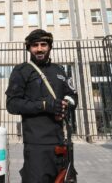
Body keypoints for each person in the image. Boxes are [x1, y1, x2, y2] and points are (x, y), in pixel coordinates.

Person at [6, 29, 78, 183]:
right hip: (36, 144)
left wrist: (65, 106)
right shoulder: (21, 71)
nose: (39, 49)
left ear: (50, 47)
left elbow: (73, 95)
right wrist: (45, 105)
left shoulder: (60, 70)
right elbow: (12, 104)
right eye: (34, 45)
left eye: (43, 44)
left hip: (61, 141)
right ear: (29, 48)